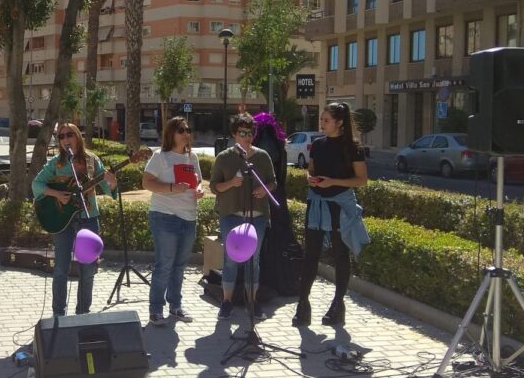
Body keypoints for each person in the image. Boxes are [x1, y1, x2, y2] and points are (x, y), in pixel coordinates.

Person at [293, 102, 370, 328]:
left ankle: (337, 306)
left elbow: (362, 180)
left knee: (340, 255)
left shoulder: (353, 148)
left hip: (340, 205)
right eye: (321, 119)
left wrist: (333, 182)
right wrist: (310, 178)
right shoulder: (318, 144)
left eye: (326, 120)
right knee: (310, 254)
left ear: (339, 122)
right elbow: (311, 169)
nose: (322, 123)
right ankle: (303, 304)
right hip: (316, 203)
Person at [32, 122, 117, 317]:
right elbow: (36, 184)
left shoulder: (92, 161)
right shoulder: (56, 163)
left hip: (88, 219)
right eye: (61, 136)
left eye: (69, 134)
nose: (65, 139)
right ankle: (59, 314)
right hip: (62, 221)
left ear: (78, 136)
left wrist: (112, 184)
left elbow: (107, 188)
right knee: (61, 269)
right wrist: (56, 194)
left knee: (88, 270)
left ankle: (83, 313)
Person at [210, 113, 277, 320]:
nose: (247, 137)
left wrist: (265, 189)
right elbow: (214, 187)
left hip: (257, 216)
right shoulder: (224, 157)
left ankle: (252, 302)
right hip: (231, 215)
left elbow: (273, 182)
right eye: (242, 133)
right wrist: (231, 183)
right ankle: (227, 302)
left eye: (250, 133)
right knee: (230, 260)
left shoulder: (262, 156)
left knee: (253, 260)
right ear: (234, 134)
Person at [143, 117, 205, 326]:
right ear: (171, 133)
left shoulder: (192, 157)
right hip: (164, 216)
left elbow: (199, 181)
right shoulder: (160, 157)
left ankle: (175, 306)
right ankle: (155, 310)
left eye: (188, 129)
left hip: (189, 217)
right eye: (181, 130)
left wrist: (199, 190)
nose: (186, 133)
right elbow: (146, 182)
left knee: (179, 266)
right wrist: (171, 188)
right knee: (165, 265)